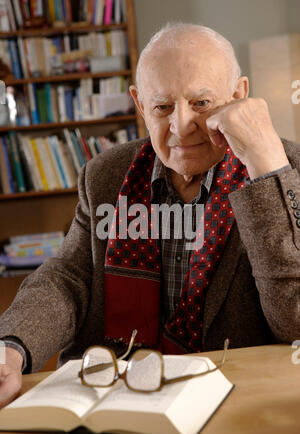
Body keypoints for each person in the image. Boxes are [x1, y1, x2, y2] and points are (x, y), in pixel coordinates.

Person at [0, 22, 299, 409]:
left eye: (201, 103)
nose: (180, 126)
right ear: (140, 105)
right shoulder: (105, 174)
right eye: (162, 107)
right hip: (114, 394)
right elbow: (68, 279)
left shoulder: (286, 170)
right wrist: (11, 346)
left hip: (240, 400)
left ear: (238, 95)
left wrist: (265, 167)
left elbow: (294, 324)